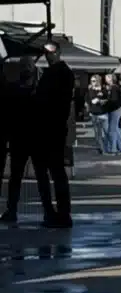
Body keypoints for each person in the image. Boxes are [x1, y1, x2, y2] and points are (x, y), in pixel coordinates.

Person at [1, 57, 56, 226]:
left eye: (28, 66)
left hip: (25, 138)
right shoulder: (37, 90)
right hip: (30, 138)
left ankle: (16, 210)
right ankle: (45, 211)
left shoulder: (16, 89)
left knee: (27, 177)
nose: (26, 69)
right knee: (32, 177)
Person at [33, 42, 75, 225]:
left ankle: (57, 213)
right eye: (46, 53)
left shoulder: (58, 73)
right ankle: (56, 212)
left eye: (51, 52)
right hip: (52, 128)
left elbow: (46, 101)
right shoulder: (61, 73)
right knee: (53, 173)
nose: (49, 56)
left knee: (51, 173)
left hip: (50, 129)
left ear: (58, 53)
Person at [104, 73, 121, 155]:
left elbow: (114, 101)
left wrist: (106, 103)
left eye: (106, 78)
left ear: (110, 79)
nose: (105, 79)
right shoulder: (115, 87)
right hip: (116, 110)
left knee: (112, 131)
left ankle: (113, 149)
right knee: (116, 130)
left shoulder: (113, 88)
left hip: (114, 111)